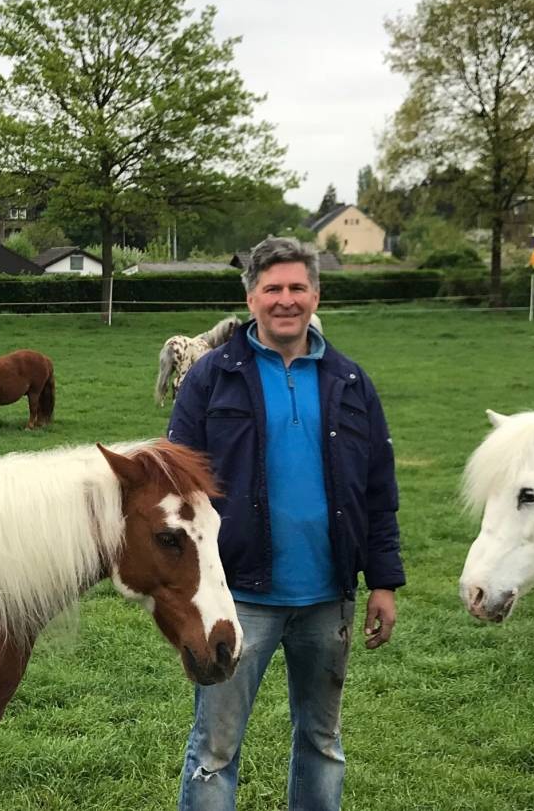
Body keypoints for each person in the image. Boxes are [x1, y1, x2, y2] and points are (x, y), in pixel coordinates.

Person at [167, 236, 404, 811]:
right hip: (237, 597)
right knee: (214, 749)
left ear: (316, 295)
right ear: (251, 298)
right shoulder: (211, 378)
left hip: (328, 596)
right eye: (272, 288)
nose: (286, 299)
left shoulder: (351, 382)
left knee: (322, 742)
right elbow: (175, 490)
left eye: (298, 287)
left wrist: (383, 581)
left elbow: (378, 489)